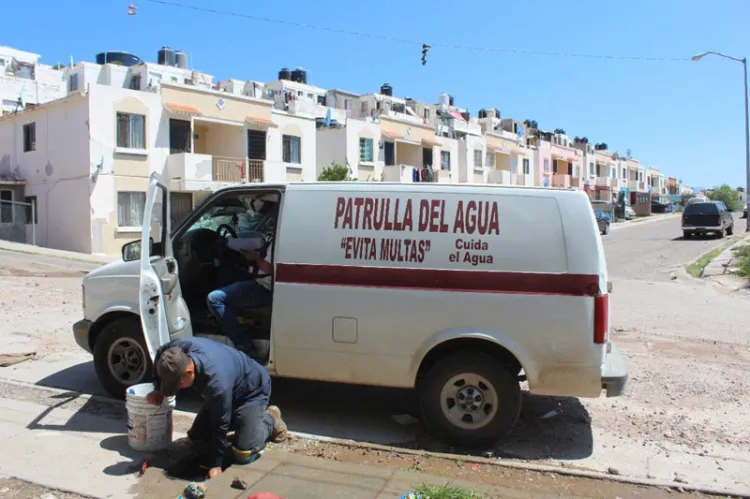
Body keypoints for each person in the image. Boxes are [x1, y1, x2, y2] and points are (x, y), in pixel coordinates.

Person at [146, 337, 287, 479]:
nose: (179, 389)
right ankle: (243, 425)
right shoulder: (174, 351)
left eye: (179, 384)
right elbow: (159, 353)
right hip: (228, 389)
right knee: (197, 439)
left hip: (252, 391)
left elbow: (221, 424)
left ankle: (271, 419)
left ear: (189, 372)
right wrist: (158, 388)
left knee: (244, 452)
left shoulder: (216, 382)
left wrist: (215, 464)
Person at [206, 242, 273, 352]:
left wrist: (255, 257)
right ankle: (234, 320)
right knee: (227, 273)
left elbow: (268, 268)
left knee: (214, 299)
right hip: (264, 281)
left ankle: (244, 345)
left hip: (265, 288)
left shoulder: (280, 239)